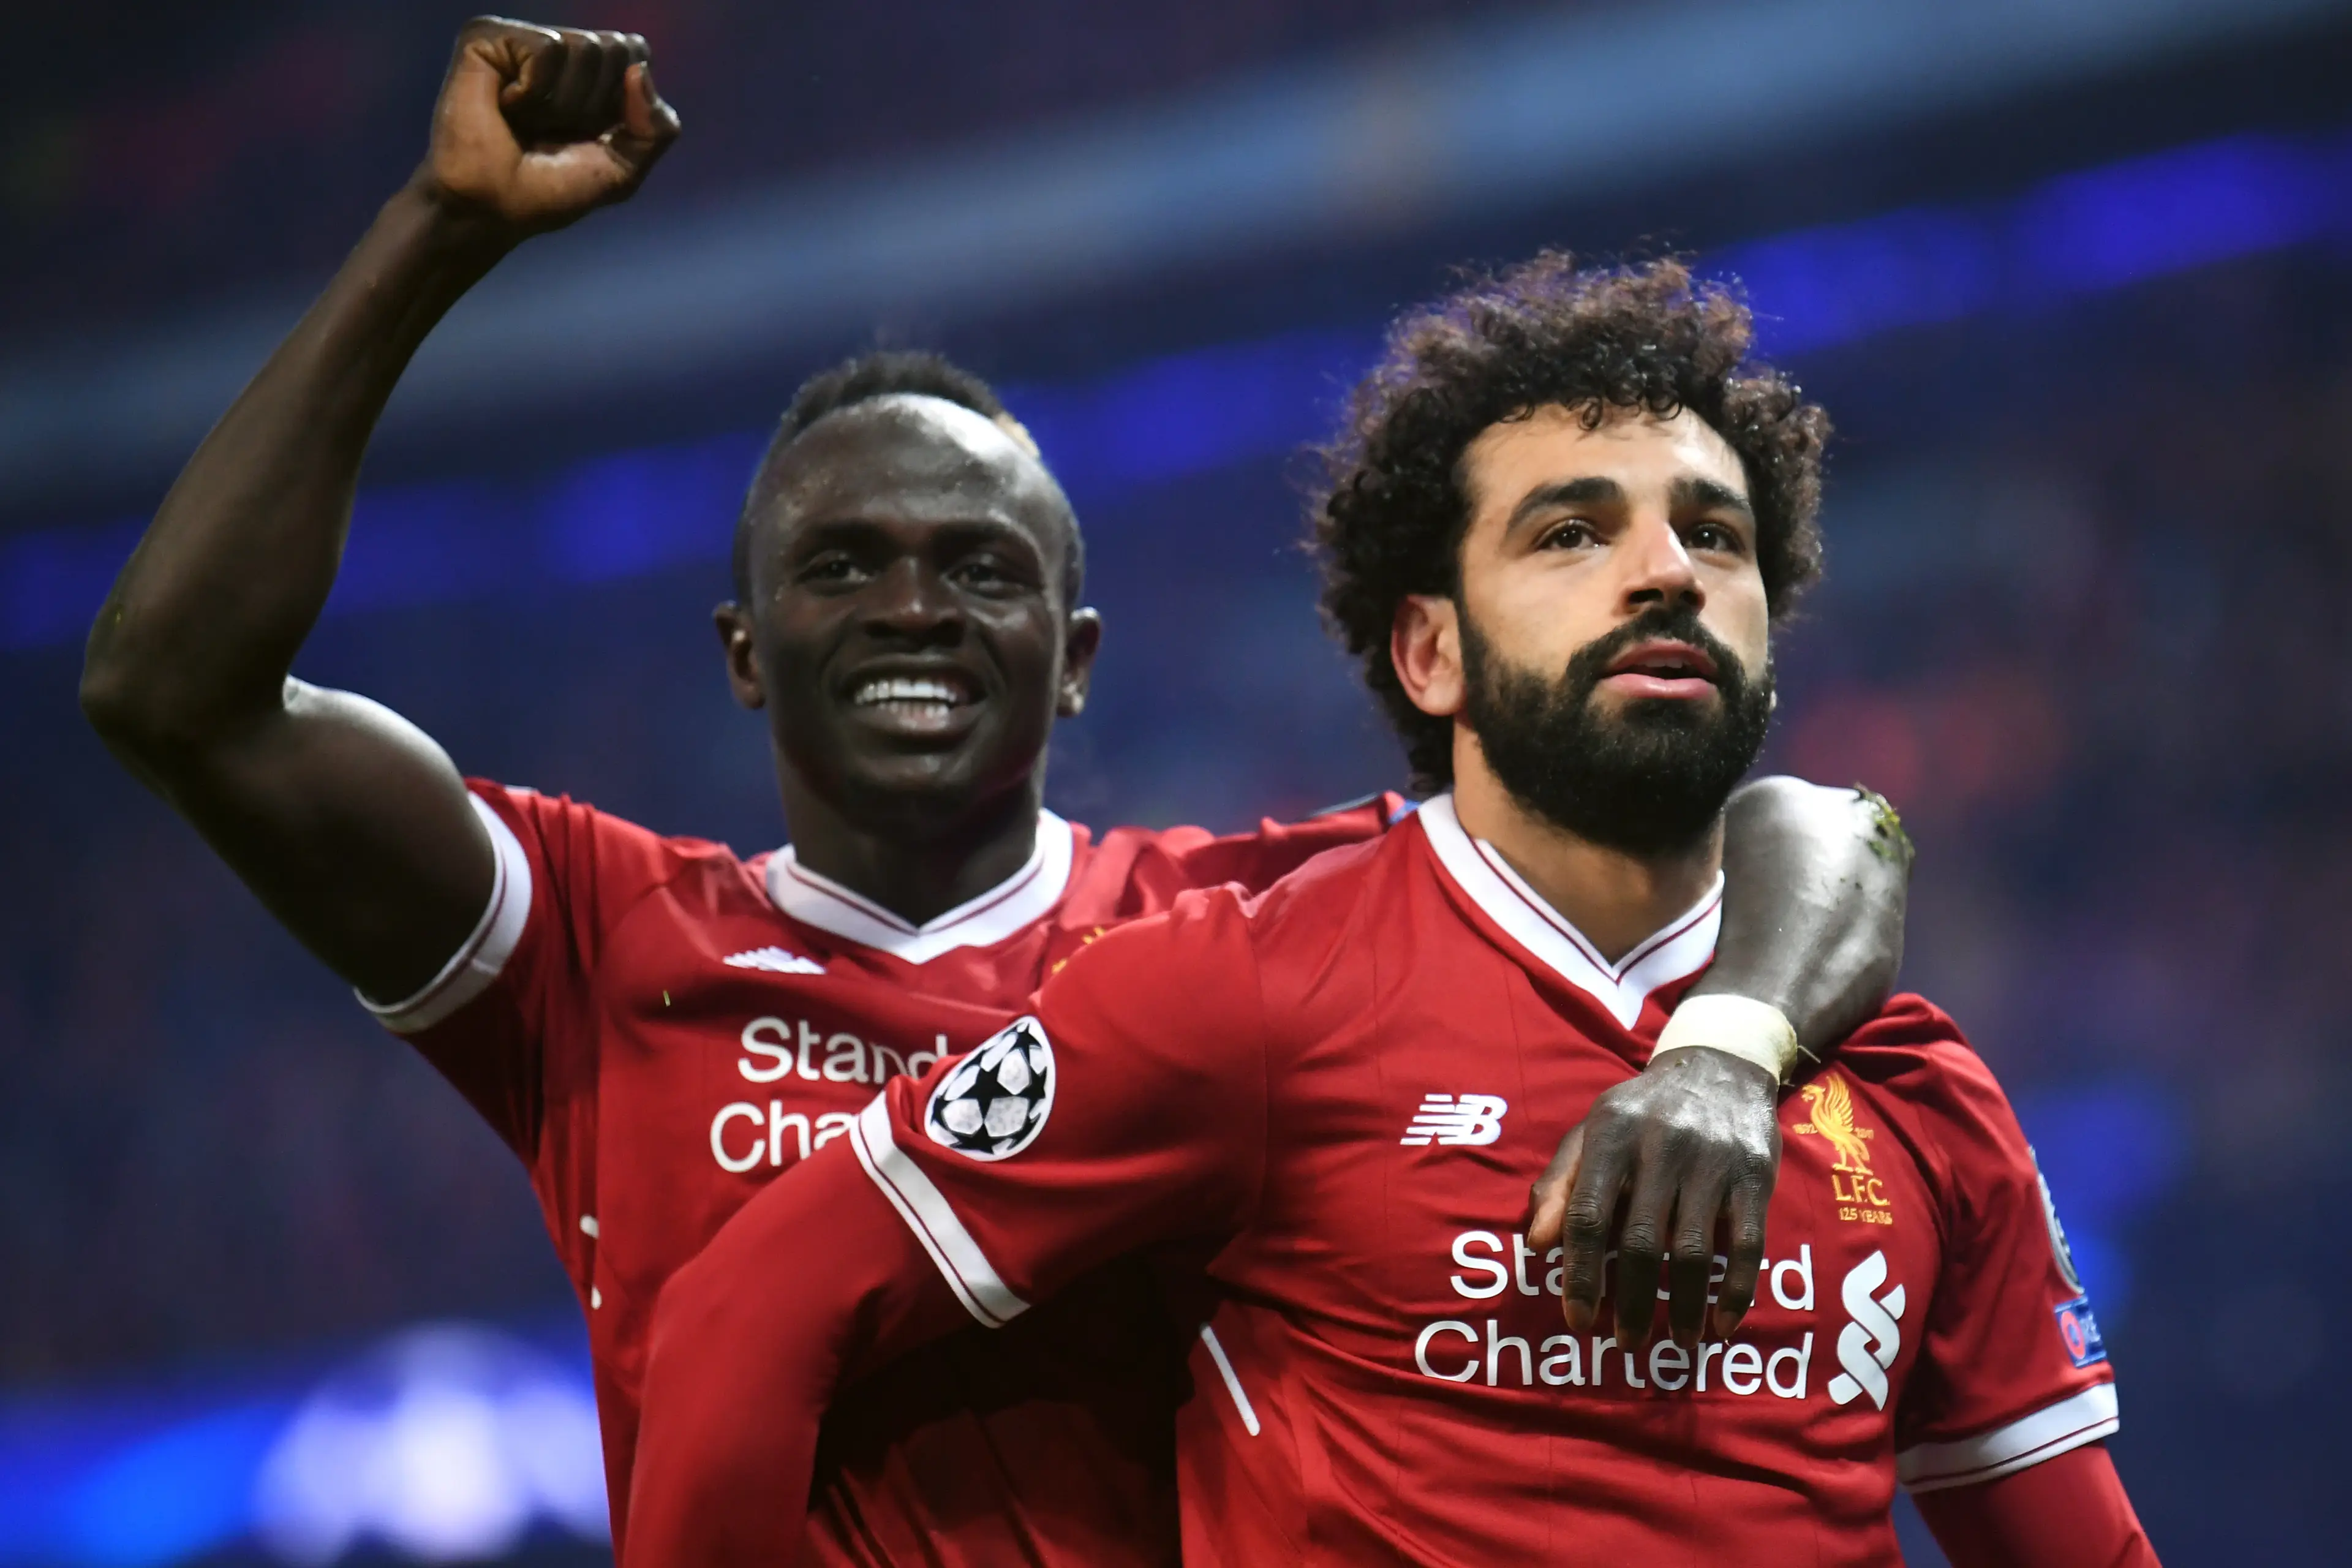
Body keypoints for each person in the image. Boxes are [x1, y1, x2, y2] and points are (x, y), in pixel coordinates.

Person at [78, 20, 1910, 1565]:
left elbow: (1808, 826)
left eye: (980, 568)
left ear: (1077, 652)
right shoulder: (592, 940)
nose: (913, 609)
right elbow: (171, 688)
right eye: (844, 565)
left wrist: (1726, 1040)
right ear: (743, 650)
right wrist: (438, 231)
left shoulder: (1243, 928)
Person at [625, 255, 2157, 1566]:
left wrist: (1730, 1050)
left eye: (1716, 533)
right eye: (1569, 532)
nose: (1665, 571)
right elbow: (749, 1310)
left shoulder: (1916, 1093)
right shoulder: (1242, 992)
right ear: (1430, 651)